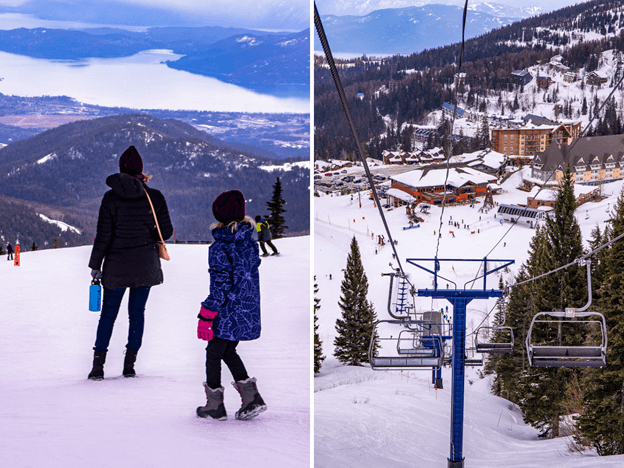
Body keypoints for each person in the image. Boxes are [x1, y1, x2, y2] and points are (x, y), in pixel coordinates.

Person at [87, 146, 173, 380]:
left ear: (120, 168)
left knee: (107, 315)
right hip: (145, 264)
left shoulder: (110, 197)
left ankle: (98, 367)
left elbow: (103, 235)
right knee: (137, 313)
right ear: (141, 170)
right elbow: (166, 231)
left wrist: (95, 265)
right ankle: (129, 366)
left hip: (115, 265)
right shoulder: (154, 197)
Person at [196, 190, 267, 421]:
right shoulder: (248, 243)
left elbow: (221, 284)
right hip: (246, 310)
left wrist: (207, 314)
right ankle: (251, 398)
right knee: (227, 350)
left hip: (226, 312)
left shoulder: (220, 247)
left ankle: (214, 406)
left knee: (213, 353)